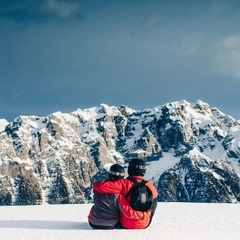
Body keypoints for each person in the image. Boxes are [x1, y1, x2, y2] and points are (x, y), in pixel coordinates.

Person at [93, 158, 158, 229]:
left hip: (125, 223)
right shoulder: (150, 185)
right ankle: (144, 218)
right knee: (154, 199)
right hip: (145, 223)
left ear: (129, 169)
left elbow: (101, 188)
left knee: (117, 198)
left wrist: (96, 185)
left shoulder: (123, 183)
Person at [88, 163, 144, 229]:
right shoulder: (118, 196)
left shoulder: (98, 190)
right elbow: (129, 213)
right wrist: (142, 215)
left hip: (93, 223)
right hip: (111, 224)